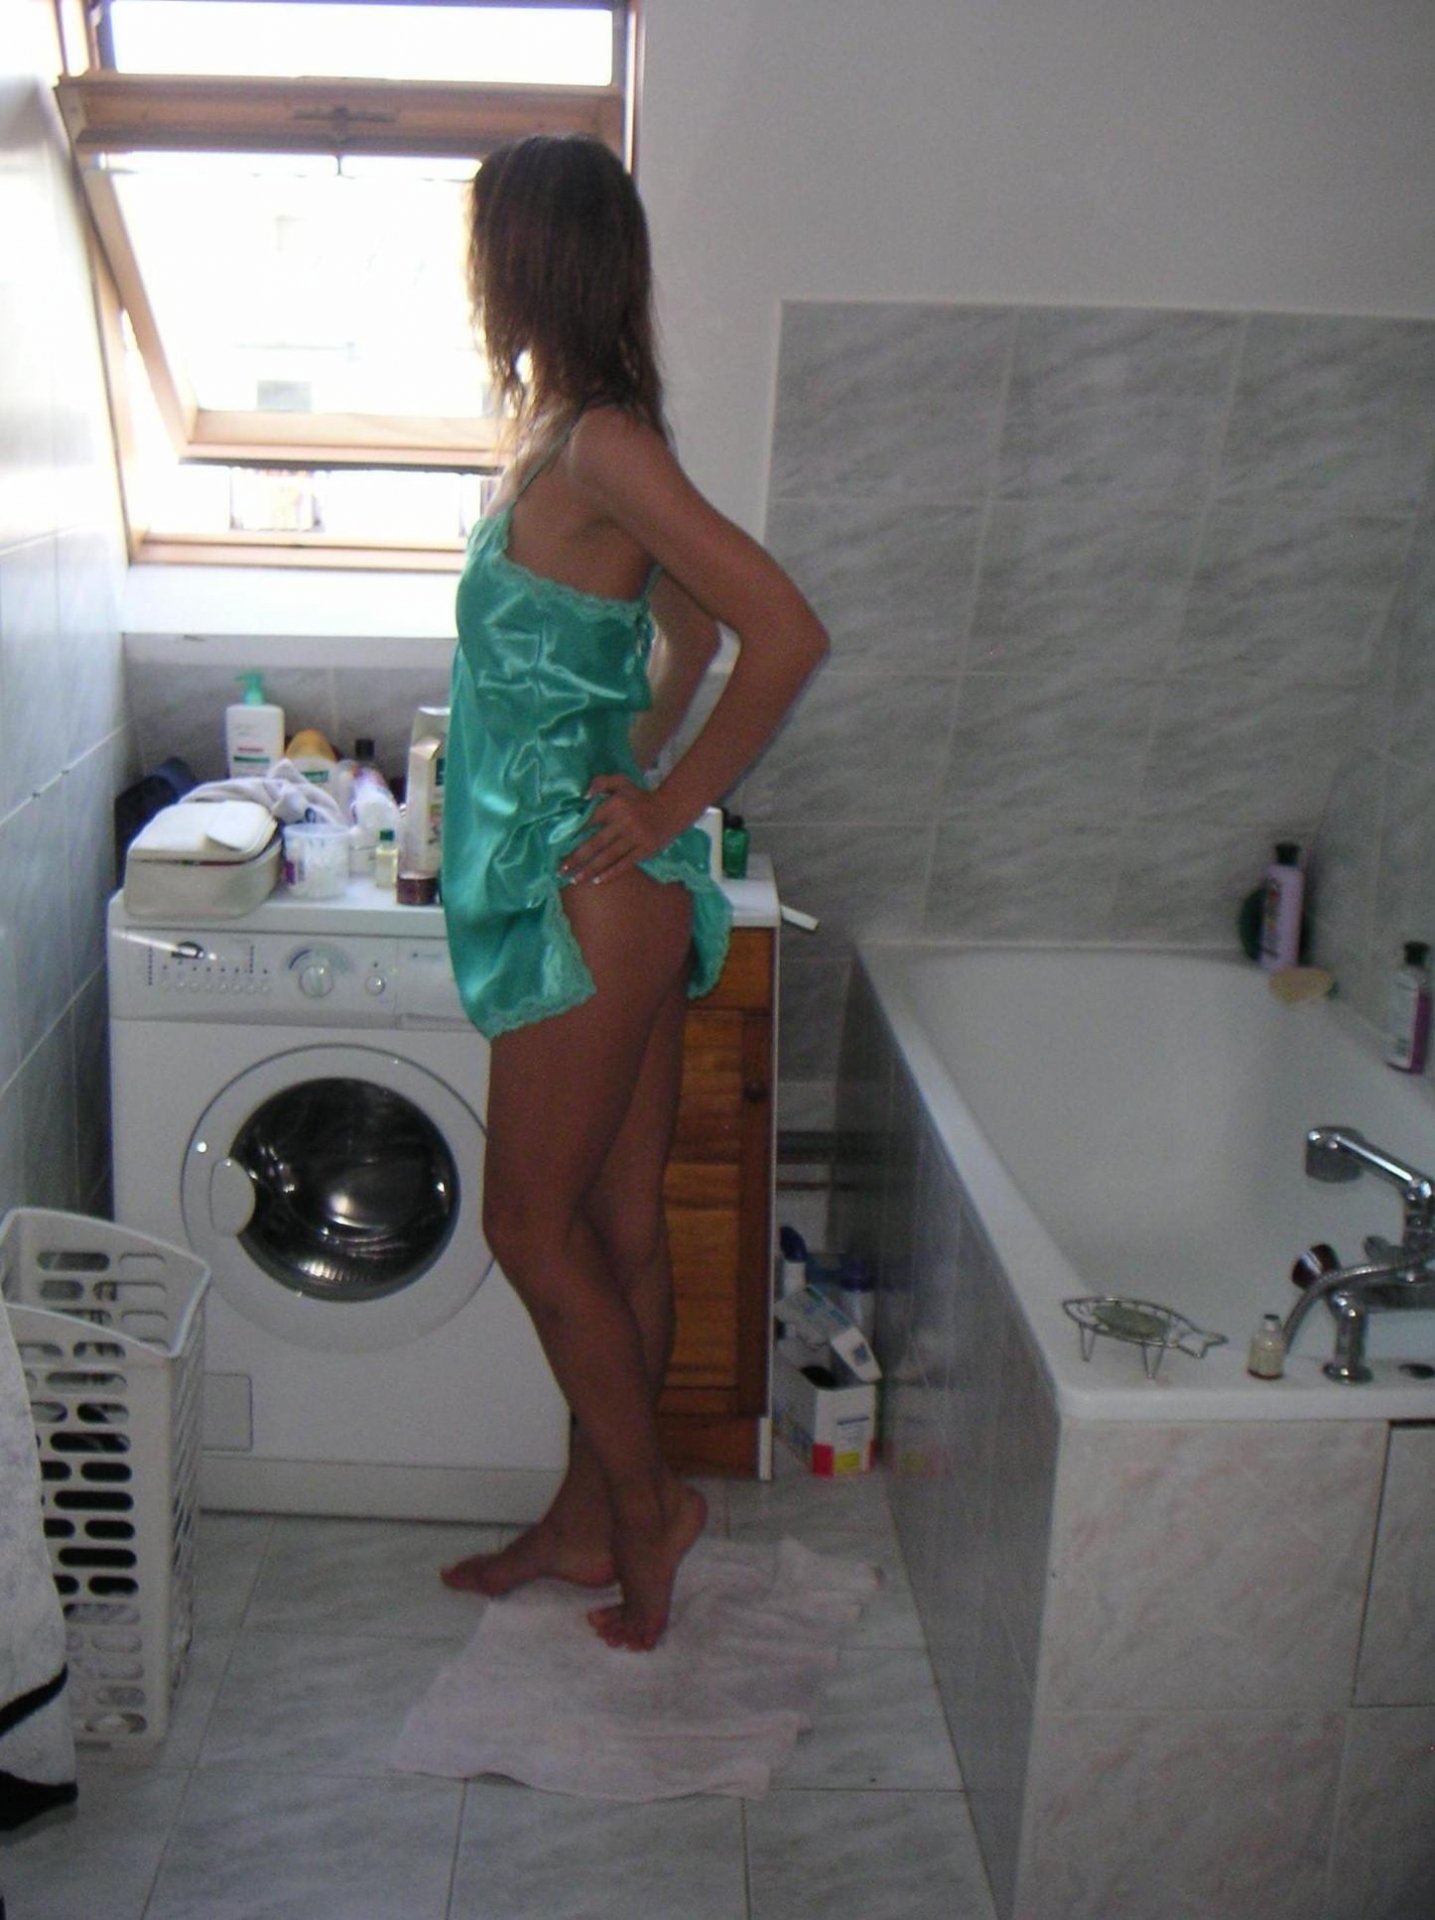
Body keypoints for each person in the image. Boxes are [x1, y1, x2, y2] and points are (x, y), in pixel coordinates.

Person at [437, 133, 828, 1652]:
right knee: (614, 1226)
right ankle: (587, 1517)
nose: (475, 273)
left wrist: (665, 796)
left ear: (528, 261)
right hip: (611, 885)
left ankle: (649, 1507)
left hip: (584, 895)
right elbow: (684, 638)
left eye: (486, 246)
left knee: (528, 1229)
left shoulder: (602, 444)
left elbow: (780, 630)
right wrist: (636, 763)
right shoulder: (569, 433)